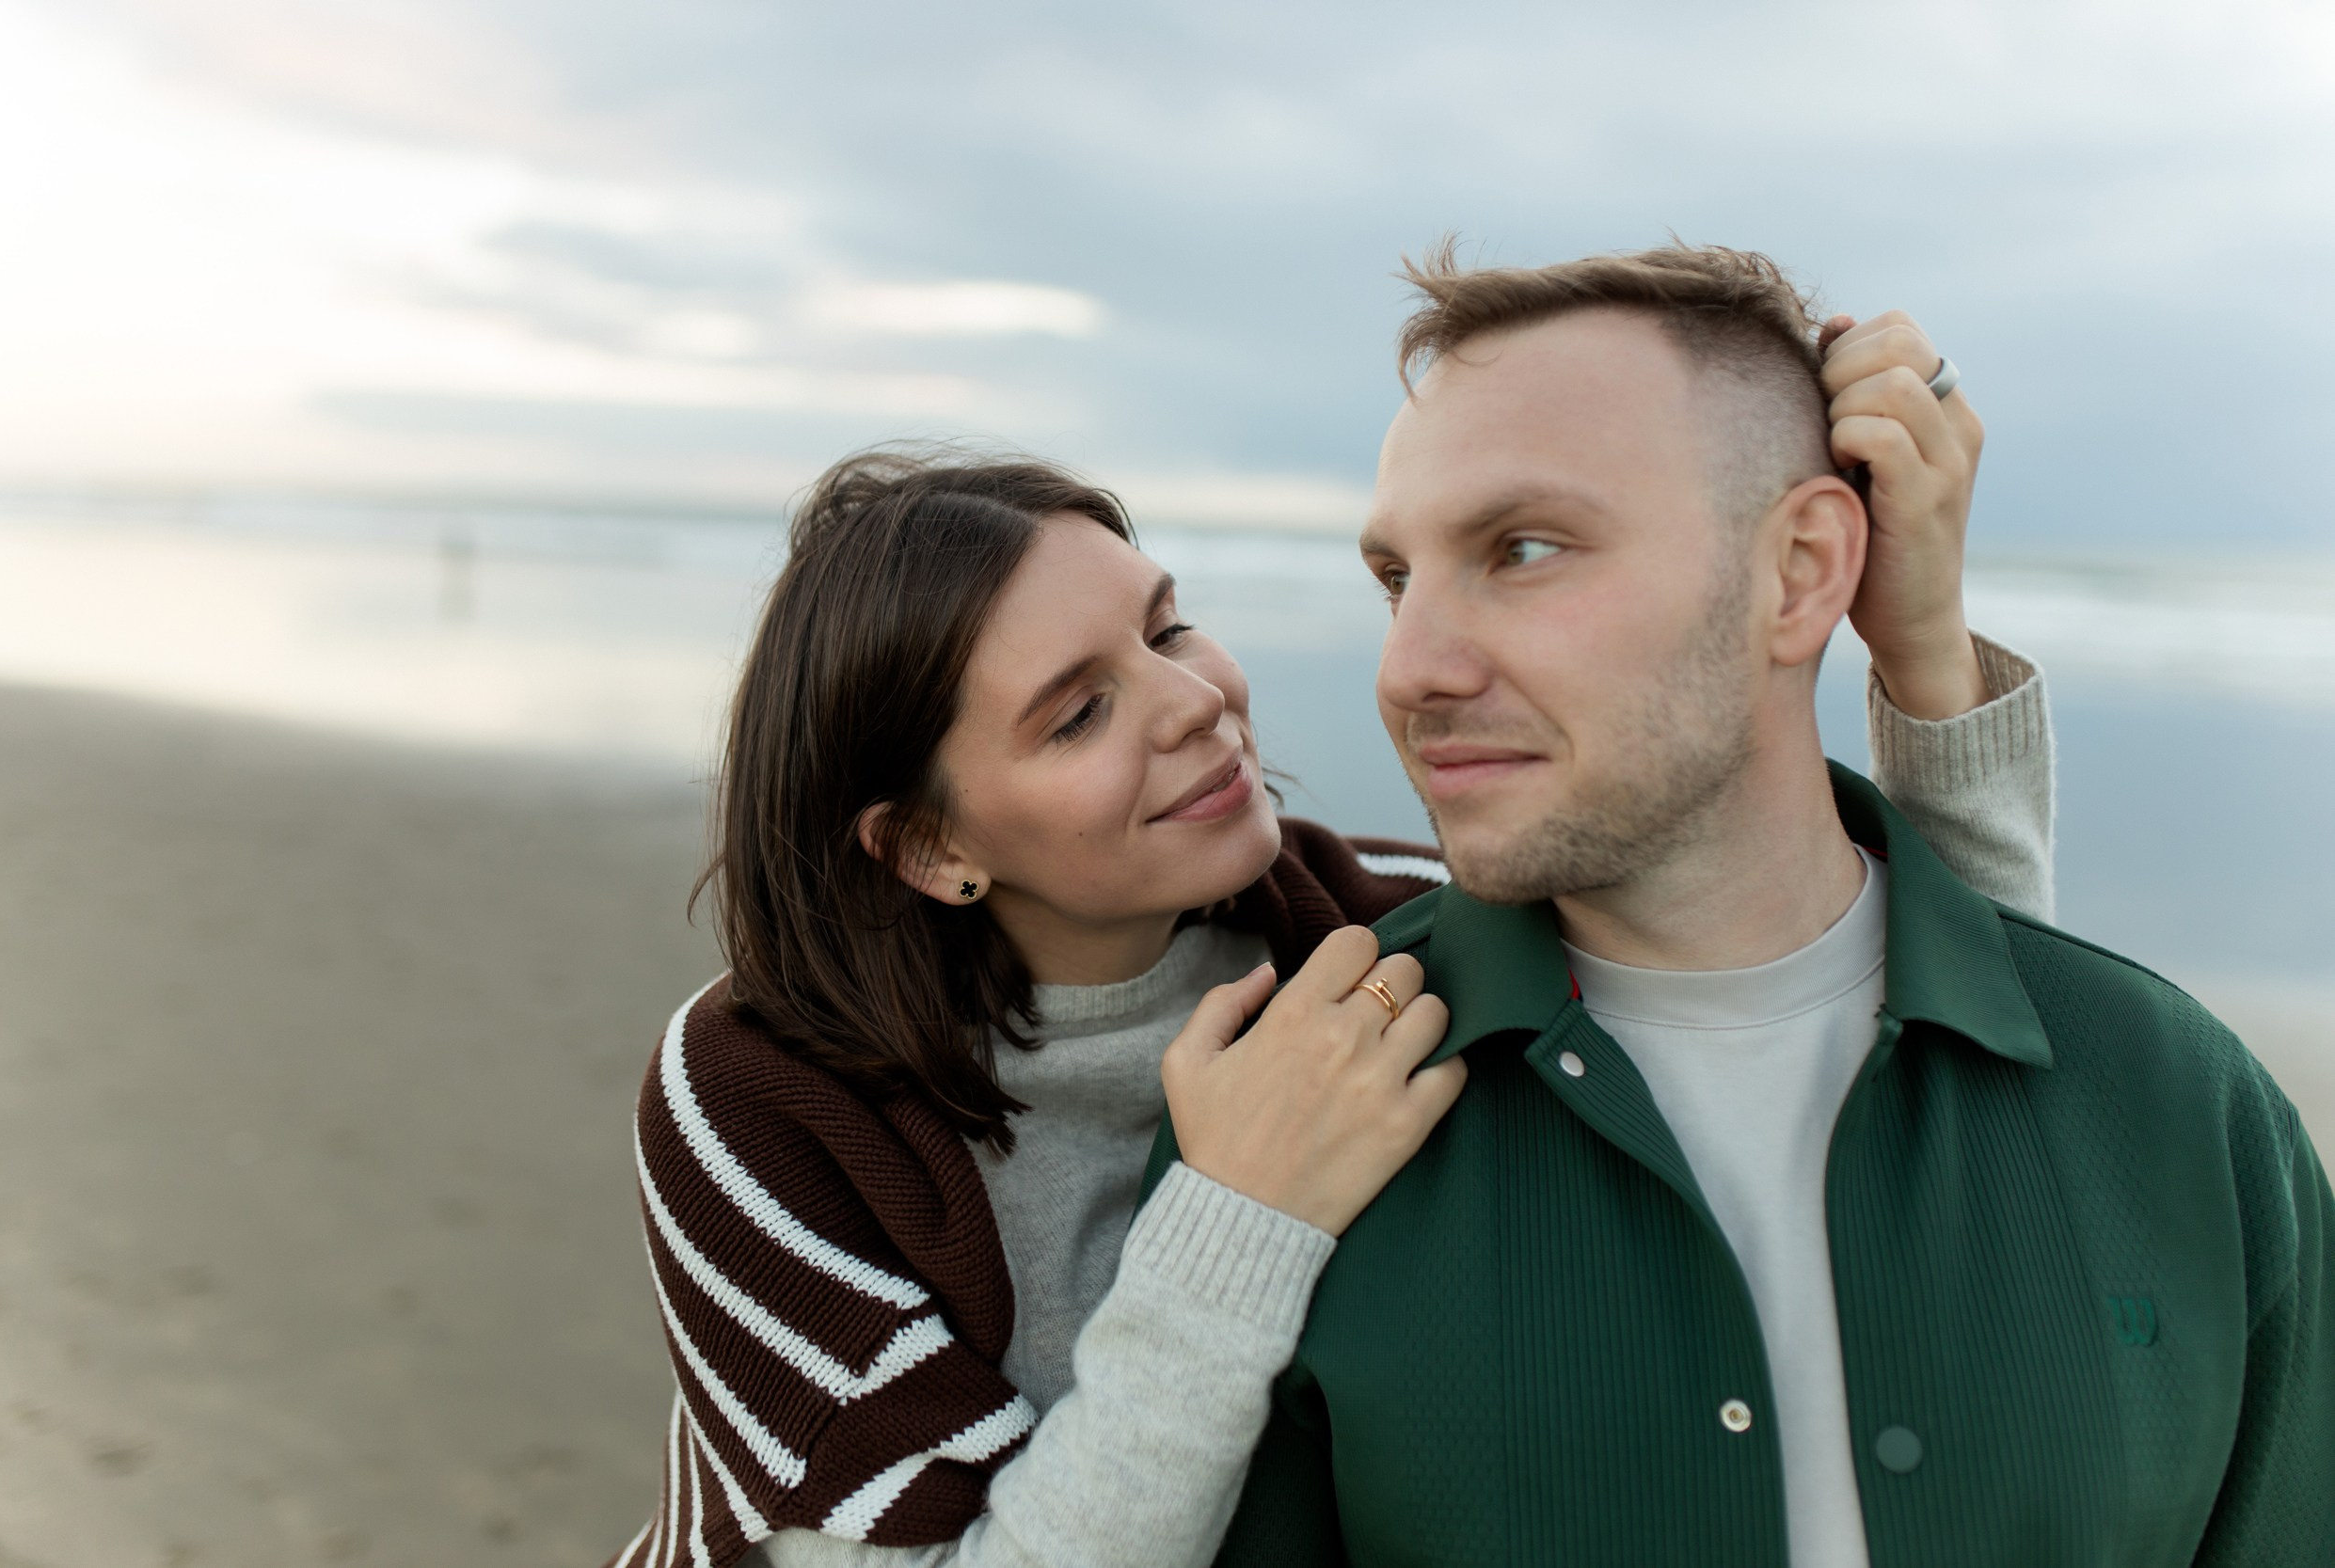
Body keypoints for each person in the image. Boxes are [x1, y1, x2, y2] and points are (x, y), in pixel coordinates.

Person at [609, 291, 2057, 1566]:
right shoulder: (764, 1095)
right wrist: (1240, 1213)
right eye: (1080, 712)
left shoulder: (1371, 937)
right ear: (931, 848)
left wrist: (1923, 646)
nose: (1196, 702)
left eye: (1166, 630)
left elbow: (1917, 1055)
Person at [1183, 245, 2335, 1566]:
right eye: (1398, 579)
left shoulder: (2182, 1106)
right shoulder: (1286, 1131)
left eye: (1525, 548)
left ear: (1800, 569)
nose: (1410, 669)